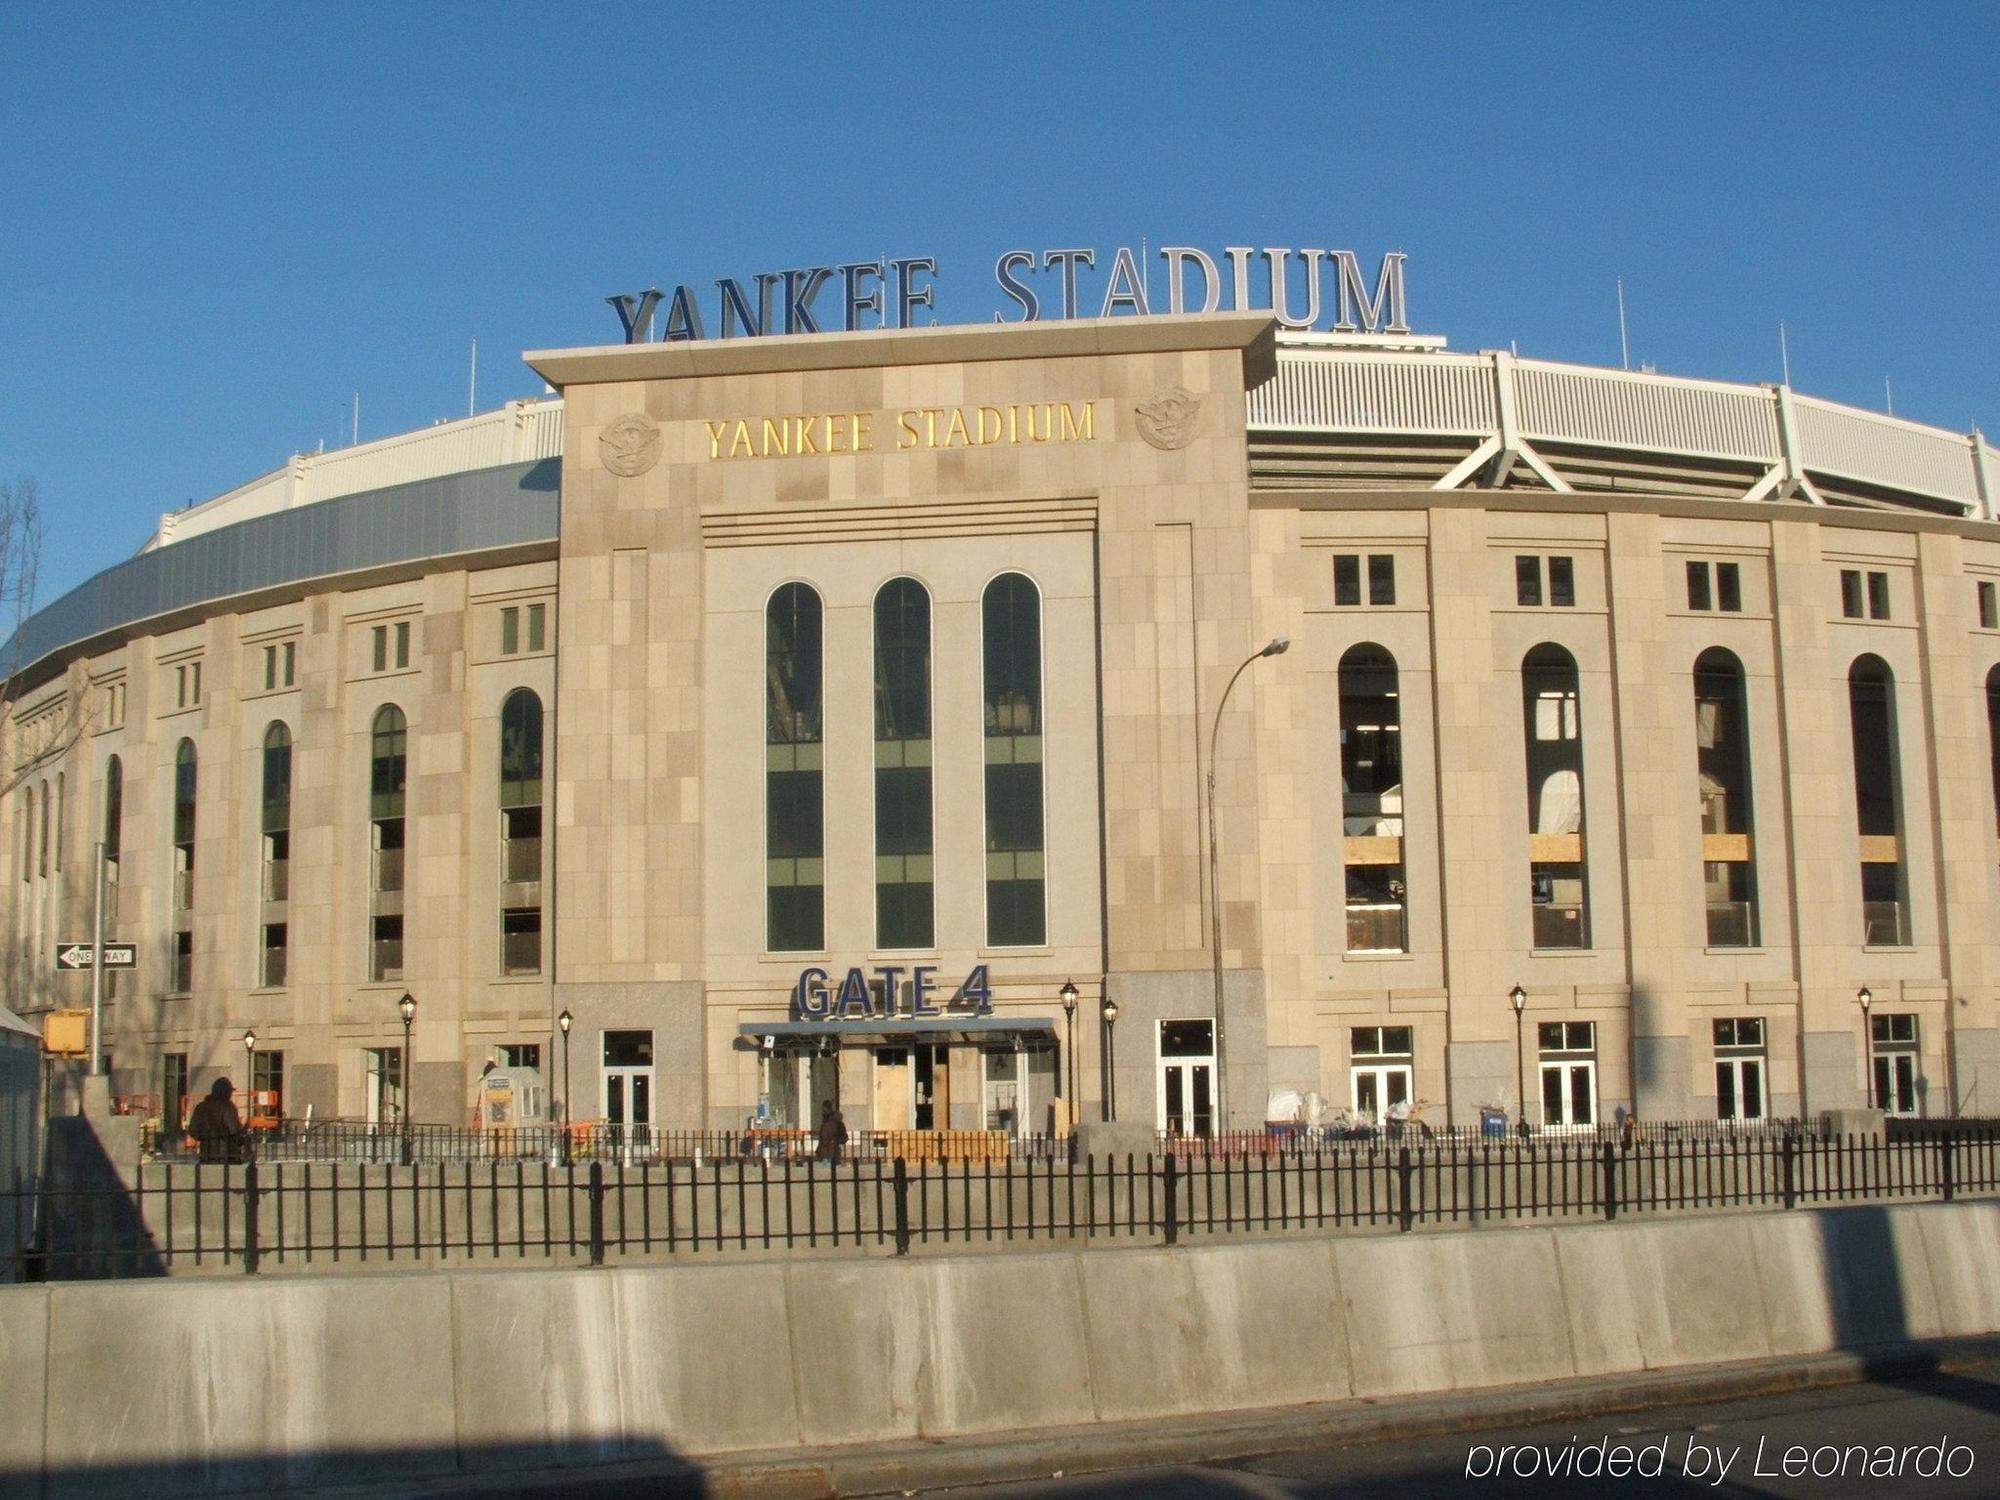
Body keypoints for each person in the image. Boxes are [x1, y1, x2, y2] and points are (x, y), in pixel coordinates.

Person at [187, 1078, 248, 1164]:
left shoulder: (201, 1107)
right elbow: (234, 1130)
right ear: (225, 1092)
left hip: (206, 1156)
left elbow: (193, 1131)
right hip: (227, 1157)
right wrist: (243, 1134)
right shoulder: (227, 1107)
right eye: (229, 1092)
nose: (230, 1094)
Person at [816, 1099, 848, 1164]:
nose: (822, 1112)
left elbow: (824, 1138)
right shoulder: (834, 1121)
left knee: (830, 1170)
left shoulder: (830, 1122)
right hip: (831, 1151)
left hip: (829, 1152)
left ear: (827, 1109)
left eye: (824, 1110)